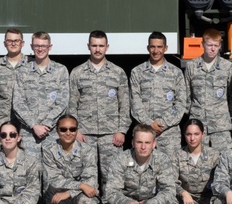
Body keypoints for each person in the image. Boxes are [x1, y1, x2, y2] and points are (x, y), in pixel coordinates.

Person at [101, 124, 179, 204]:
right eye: (139, 142)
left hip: (151, 203)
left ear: (154, 143)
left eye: (147, 142)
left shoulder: (162, 159)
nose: (143, 147)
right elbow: (111, 191)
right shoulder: (121, 159)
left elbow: (169, 190)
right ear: (132, 142)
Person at [68, 30, 130, 179]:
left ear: (107, 47)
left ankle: (110, 203)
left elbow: (125, 104)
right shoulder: (77, 73)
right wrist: (76, 131)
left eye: (101, 45)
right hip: (85, 134)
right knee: (86, 175)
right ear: (88, 46)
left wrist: (122, 131)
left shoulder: (118, 72)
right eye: (94, 45)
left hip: (111, 135)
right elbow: (71, 104)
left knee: (112, 176)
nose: (97, 49)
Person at [42, 115, 100, 204]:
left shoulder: (87, 150)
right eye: (63, 129)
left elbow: (91, 180)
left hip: (76, 195)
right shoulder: (48, 149)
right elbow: (53, 179)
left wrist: (70, 192)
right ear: (57, 131)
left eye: (72, 129)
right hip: (56, 197)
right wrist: (80, 185)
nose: (68, 132)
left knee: (89, 199)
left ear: (77, 130)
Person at [130, 31, 188, 156]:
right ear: (148, 48)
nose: (156, 51)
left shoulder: (176, 73)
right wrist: (149, 123)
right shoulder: (137, 72)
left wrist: (162, 124)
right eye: (152, 47)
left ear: (165, 48)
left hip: (169, 135)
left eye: (159, 47)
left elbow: (180, 104)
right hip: (144, 134)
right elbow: (135, 101)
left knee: (169, 171)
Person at [12, 31, 69, 157]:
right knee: (30, 173)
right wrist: (34, 126)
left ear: (50, 47)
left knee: (53, 173)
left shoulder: (60, 70)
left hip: (53, 133)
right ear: (32, 47)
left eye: (43, 46)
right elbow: (17, 103)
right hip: (29, 134)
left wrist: (47, 124)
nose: (40, 49)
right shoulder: (22, 72)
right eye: (37, 46)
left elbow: (63, 102)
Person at [185, 28, 232, 148]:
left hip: (221, 127)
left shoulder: (228, 67)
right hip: (198, 127)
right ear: (202, 44)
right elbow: (186, 95)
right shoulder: (192, 66)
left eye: (216, 45)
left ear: (220, 46)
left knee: (224, 161)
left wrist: (227, 116)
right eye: (209, 45)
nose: (212, 49)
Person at [174, 119, 222, 204]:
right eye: (188, 134)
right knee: (169, 203)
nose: (192, 138)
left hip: (207, 197)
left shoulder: (214, 155)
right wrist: (183, 193)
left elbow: (221, 180)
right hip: (185, 198)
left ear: (203, 134)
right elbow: (170, 181)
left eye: (196, 134)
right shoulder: (177, 155)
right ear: (184, 135)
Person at [0, 28, 27, 134]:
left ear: (22, 43)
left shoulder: (31, 65)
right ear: (5, 43)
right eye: (10, 41)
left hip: (26, 126)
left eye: (17, 41)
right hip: (1, 123)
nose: (13, 44)